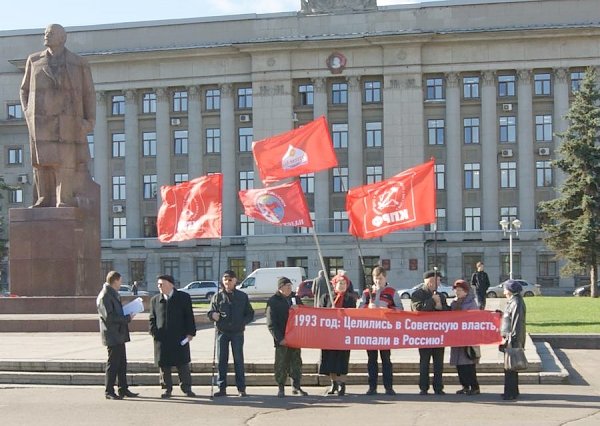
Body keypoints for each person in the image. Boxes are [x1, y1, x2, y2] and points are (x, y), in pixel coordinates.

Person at [20, 24, 96, 208]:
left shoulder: (78, 63)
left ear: (62, 38)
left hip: (68, 121)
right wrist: (28, 113)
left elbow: (89, 93)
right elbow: (24, 90)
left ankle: (64, 199)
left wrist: (90, 120)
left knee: (66, 162)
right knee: (41, 162)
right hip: (41, 123)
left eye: (51, 33)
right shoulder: (34, 60)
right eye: (45, 33)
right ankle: (44, 198)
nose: (46, 36)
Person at [208, 270, 255, 397]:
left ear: (235, 281)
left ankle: (241, 388)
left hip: (237, 332)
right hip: (222, 332)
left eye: (230, 280)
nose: (227, 282)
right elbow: (210, 312)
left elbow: (250, 313)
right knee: (222, 360)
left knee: (238, 360)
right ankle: (221, 387)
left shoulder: (242, 296)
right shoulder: (217, 296)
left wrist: (242, 323)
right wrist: (213, 315)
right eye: (225, 280)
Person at [149, 274, 197, 398]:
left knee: (182, 364)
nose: (159, 286)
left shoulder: (183, 297)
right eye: (158, 284)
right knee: (164, 365)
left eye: (162, 284)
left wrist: (190, 333)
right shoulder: (155, 300)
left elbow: (189, 317)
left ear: (171, 284)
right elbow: (152, 319)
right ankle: (167, 389)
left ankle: (186, 388)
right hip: (162, 338)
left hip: (180, 337)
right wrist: (154, 332)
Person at [358, 266, 403, 396]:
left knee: (386, 360)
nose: (378, 281)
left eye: (380, 279)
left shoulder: (392, 292)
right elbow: (360, 309)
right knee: (371, 360)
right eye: (376, 279)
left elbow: (400, 309)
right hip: (371, 332)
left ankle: (388, 387)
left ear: (385, 278)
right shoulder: (367, 293)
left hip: (385, 332)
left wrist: (387, 310)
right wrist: (368, 307)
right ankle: (372, 387)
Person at [96, 270, 138, 400]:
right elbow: (109, 317)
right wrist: (127, 318)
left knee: (122, 363)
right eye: (120, 281)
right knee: (113, 364)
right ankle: (109, 391)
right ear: (115, 281)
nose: (121, 283)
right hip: (112, 335)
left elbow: (114, 312)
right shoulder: (105, 295)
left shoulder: (112, 294)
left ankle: (123, 388)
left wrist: (124, 309)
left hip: (118, 334)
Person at [266, 277, 309, 398]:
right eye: (287, 286)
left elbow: (305, 314)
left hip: (295, 338)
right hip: (282, 339)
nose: (290, 288)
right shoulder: (273, 301)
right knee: (281, 364)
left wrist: (299, 309)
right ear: (280, 288)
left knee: (296, 363)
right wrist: (280, 339)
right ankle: (281, 387)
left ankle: (296, 385)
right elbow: (271, 323)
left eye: (290, 286)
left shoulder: (295, 298)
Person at [411, 269, 450, 395]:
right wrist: (432, 301)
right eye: (436, 281)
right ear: (429, 282)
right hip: (424, 334)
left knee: (438, 363)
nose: (438, 284)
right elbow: (418, 310)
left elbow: (447, 312)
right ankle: (423, 387)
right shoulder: (417, 294)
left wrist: (440, 306)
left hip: (438, 334)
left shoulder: (441, 295)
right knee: (424, 362)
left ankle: (438, 387)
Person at [319, 274, 356, 396]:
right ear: (334, 284)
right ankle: (333, 382)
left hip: (343, 335)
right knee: (330, 359)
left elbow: (353, 315)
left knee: (342, 359)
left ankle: (342, 384)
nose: (342, 286)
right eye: (340, 283)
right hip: (329, 335)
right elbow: (319, 313)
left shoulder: (350, 299)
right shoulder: (326, 297)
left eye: (344, 283)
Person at [449, 279, 481, 395]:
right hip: (456, 338)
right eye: (456, 290)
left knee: (468, 364)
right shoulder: (454, 303)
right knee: (459, 364)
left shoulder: (471, 303)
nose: (457, 292)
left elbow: (474, 319)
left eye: (460, 290)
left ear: (466, 291)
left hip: (468, 339)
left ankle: (474, 386)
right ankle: (464, 385)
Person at [501, 279, 526, 401]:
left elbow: (517, 322)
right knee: (510, 367)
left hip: (512, 338)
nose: (504, 291)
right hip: (509, 337)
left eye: (505, 289)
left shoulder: (516, 302)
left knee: (510, 367)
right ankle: (512, 391)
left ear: (510, 290)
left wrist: (512, 339)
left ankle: (510, 393)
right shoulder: (512, 301)